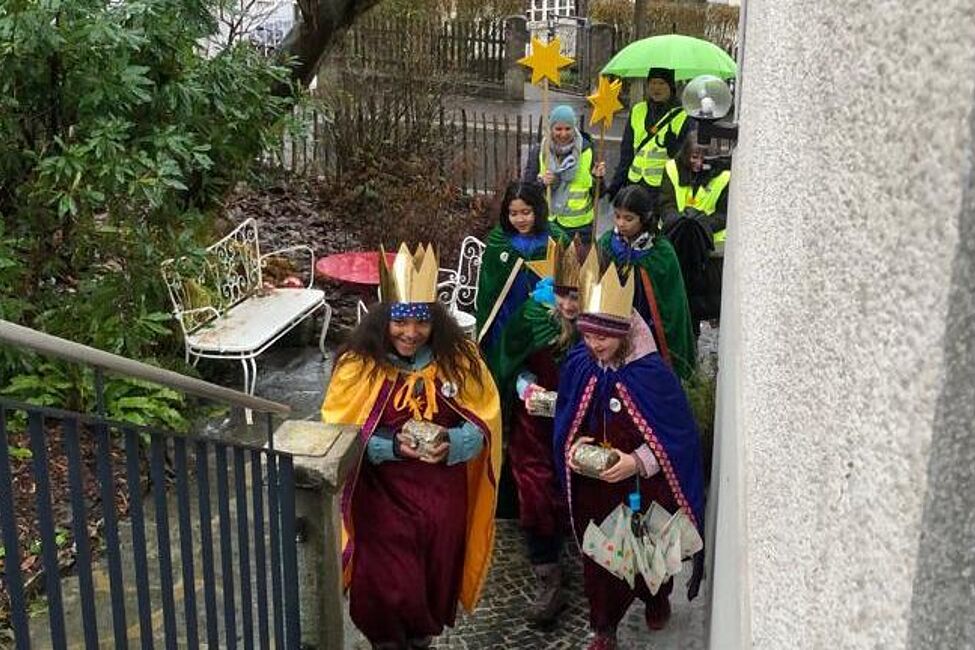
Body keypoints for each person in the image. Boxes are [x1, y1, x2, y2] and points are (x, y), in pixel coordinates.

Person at [321, 243, 502, 650]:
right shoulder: (358, 365)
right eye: (400, 323)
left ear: (434, 322)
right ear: (384, 320)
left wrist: (452, 441)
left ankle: (419, 640)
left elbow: (485, 422)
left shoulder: (462, 360)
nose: (410, 333)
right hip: (382, 496)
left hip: (442, 498)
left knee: (432, 578)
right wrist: (391, 447)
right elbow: (341, 430)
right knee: (385, 584)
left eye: (421, 323)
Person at [553, 251, 706, 650]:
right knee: (600, 559)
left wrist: (638, 460)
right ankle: (604, 626)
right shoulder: (580, 364)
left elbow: (680, 438)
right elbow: (568, 418)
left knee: (649, 552)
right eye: (587, 334)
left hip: (642, 488)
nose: (594, 344)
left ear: (624, 329)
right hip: (596, 488)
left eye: (603, 336)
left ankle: (656, 598)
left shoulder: (651, 373)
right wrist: (577, 445)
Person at [491, 238, 585, 625]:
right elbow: (510, 361)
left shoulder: (604, 321)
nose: (568, 305)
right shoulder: (533, 315)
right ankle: (547, 575)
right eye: (563, 294)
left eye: (577, 296)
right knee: (534, 489)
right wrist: (525, 387)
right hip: (536, 424)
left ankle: (596, 567)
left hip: (582, 423)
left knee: (580, 491)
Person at [598, 185, 696, 380]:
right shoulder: (608, 243)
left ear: (644, 218)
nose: (621, 223)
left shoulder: (660, 252)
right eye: (617, 216)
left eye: (628, 218)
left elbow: (672, 302)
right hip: (616, 318)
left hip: (647, 321)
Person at [476, 181, 565, 369]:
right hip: (506, 314)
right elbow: (488, 288)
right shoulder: (499, 241)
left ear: (537, 210)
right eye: (513, 214)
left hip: (541, 318)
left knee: (540, 365)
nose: (520, 220)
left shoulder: (555, 239)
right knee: (507, 364)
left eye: (526, 212)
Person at [659, 131, 732, 330]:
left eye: (703, 158)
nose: (698, 163)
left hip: (708, 249)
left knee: (701, 302)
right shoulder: (672, 169)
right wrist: (680, 224)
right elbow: (666, 204)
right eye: (694, 157)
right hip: (676, 241)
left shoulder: (724, 176)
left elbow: (725, 214)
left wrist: (700, 226)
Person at [522, 105, 606, 244]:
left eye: (568, 129)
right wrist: (542, 183)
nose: (563, 134)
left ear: (575, 128)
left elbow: (600, 193)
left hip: (580, 228)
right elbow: (526, 191)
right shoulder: (540, 151)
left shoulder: (587, 151)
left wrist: (598, 178)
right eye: (558, 129)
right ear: (551, 129)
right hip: (547, 224)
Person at [608, 68, 691, 205]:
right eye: (652, 83)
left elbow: (686, 160)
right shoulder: (638, 110)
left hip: (662, 189)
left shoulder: (682, 115)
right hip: (634, 183)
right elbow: (627, 153)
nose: (656, 88)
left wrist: (674, 146)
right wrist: (615, 185)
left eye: (661, 83)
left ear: (671, 86)